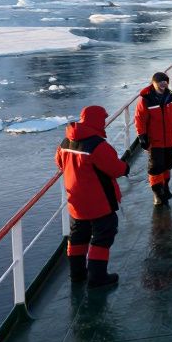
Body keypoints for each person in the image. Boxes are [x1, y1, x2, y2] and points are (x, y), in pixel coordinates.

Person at [56, 105, 129, 287]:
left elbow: (59, 163)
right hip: (99, 201)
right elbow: (115, 168)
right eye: (102, 119)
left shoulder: (65, 143)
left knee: (78, 236)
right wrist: (125, 168)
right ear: (96, 121)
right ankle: (98, 277)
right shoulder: (97, 145)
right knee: (103, 236)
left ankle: (77, 274)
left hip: (75, 202)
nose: (104, 122)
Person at [134, 71, 172, 206]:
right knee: (156, 167)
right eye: (160, 82)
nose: (163, 84)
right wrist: (142, 136)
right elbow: (140, 119)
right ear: (153, 83)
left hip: (170, 138)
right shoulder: (146, 99)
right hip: (154, 141)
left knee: (168, 164)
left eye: (165, 81)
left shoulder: (171, 97)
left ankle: (164, 186)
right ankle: (157, 193)